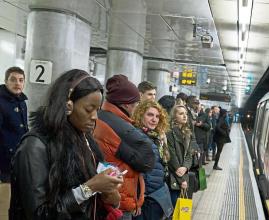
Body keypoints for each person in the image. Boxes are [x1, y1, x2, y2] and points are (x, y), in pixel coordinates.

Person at [10, 69, 123, 219]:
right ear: (67, 105)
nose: (95, 117)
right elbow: (39, 214)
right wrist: (89, 188)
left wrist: (110, 193)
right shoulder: (35, 147)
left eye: (97, 110)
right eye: (89, 109)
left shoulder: (85, 139)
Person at [94, 74, 155, 219]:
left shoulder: (105, 118)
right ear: (127, 104)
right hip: (119, 200)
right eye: (136, 104)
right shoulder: (121, 128)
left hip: (113, 196)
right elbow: (147, 161)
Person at [132, 100, 173, 220]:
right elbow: (139, 170)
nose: (154, 119)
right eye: (150, 115)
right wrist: (140, 197)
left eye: (157, 116)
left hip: (156, 194)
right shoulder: (138, 136)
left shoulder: (156, 136)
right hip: (147, 198)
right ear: (140, 115)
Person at [0, 67, 28, 217]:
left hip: (19, 158)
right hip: (5, 162)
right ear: (5, 82)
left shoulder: (22, 101)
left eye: (21, 80)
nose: (17, 83)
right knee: (5, 201)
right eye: (13, 79)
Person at [166, 105, 195, 207]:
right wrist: (182, 179)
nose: (184, 116)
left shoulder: (187, 133)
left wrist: (186, 167)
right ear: (174, 116)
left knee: (179, 208)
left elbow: (189, 155)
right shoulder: (169, 132)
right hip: (173, 176)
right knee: (173, 207)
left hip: (183, 174)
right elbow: (171, 156)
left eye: (185, 114)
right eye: (181, 114)